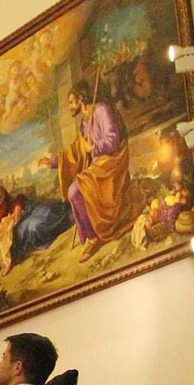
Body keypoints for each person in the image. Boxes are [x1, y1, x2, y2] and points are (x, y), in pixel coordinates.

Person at [39, 80, 131, 262]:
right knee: (76, 191)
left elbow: (113, 139)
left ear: (81, 99)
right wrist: (53, 161)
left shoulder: (101, 109)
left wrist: (94, 149)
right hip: (99, 166)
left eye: (72, 102)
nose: (70, 107)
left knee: (75, 191)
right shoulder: (84, 123)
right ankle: (93, 234)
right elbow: (75, 151)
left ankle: (93, 238)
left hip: (112, 162)